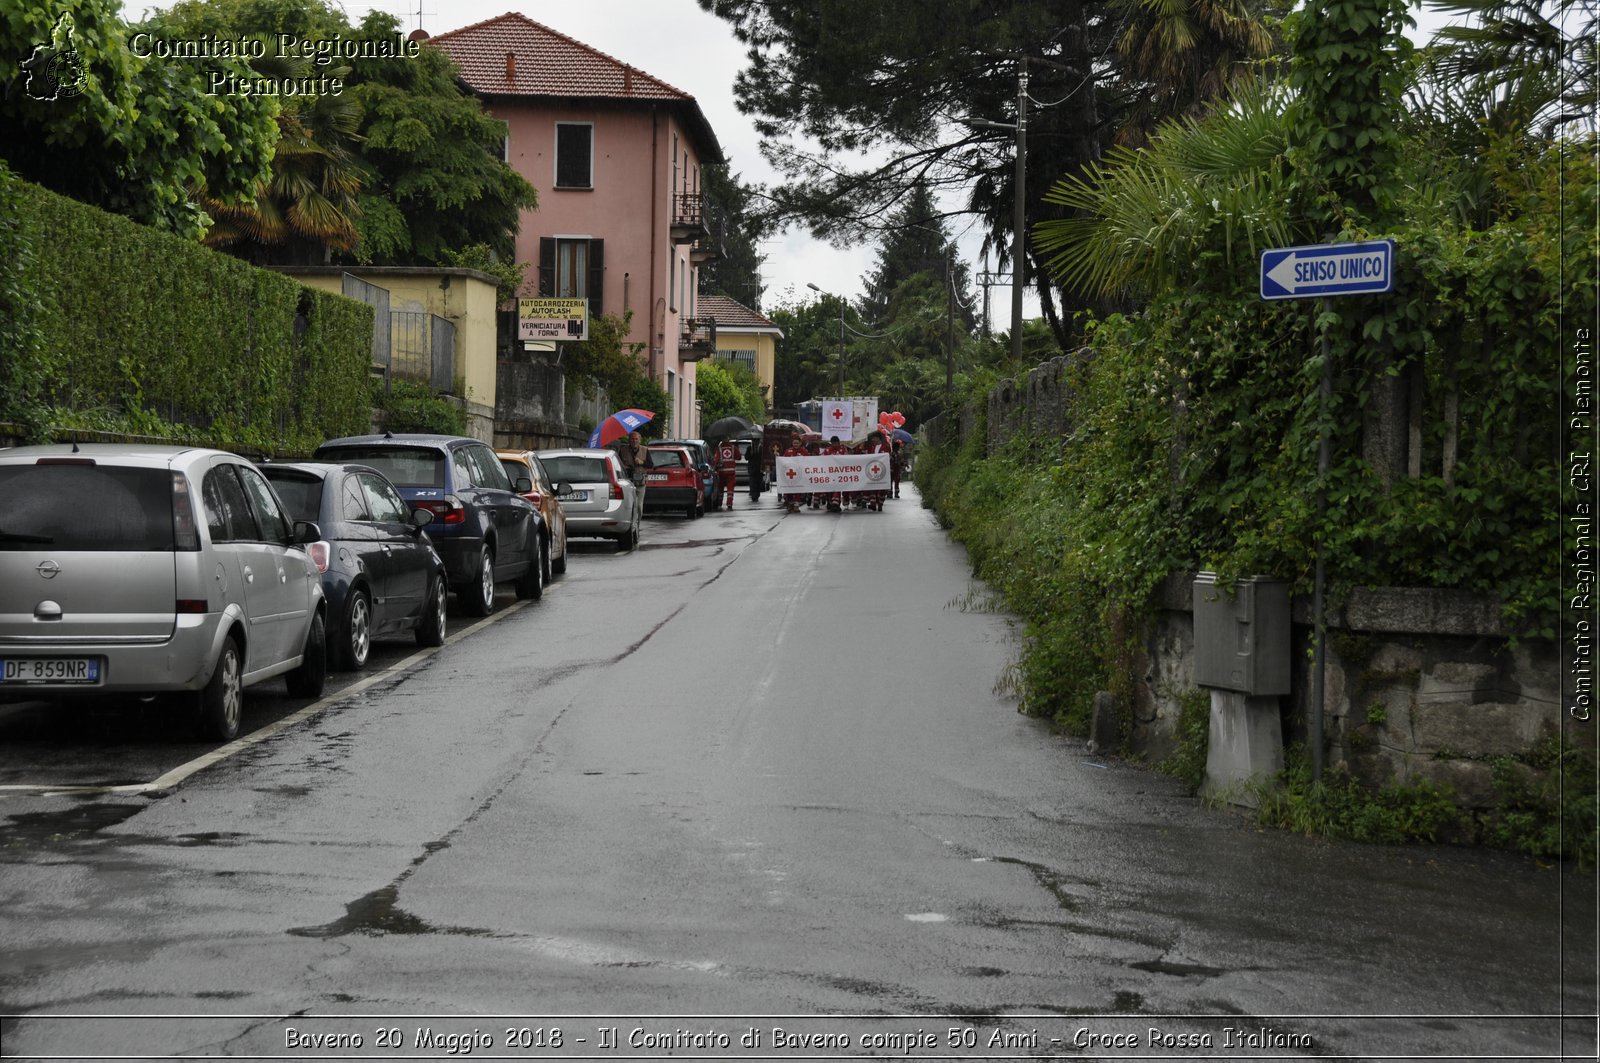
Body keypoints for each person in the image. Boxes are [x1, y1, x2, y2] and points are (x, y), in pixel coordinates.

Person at [715, 436, 740, 509]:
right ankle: (729, 504)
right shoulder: (733, 447)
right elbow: (739, 457)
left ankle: (719, 503)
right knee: (730, 489)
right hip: (731, 472)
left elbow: (716, 460)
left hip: (722, 472)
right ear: (728, 440)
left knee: (720, 488)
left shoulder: (719, 448)